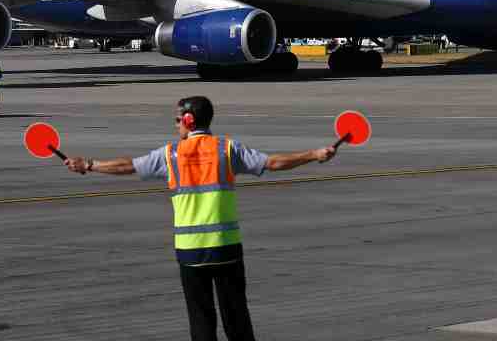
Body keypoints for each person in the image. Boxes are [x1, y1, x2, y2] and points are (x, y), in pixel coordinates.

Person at [65, 95, 336, 341]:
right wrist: (313, 154)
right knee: (237, 318)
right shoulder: (227, 149)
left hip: (190, 250)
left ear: (188, 119)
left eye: (176, 119)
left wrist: (89, 165)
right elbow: (273, 163)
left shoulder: (171, 154)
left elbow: (127, 166)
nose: (175, 125)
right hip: (226, 248)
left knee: (201, 320)